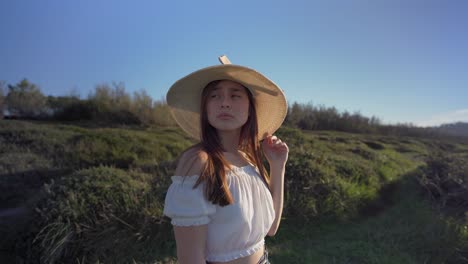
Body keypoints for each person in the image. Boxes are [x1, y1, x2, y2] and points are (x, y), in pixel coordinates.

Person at [163, 55, 288, 264]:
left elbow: (271, 228)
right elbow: (190, 259)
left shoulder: (249, 159)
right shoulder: (199, 162)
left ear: (250, 110)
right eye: (215, 96)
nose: (224, 103)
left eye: (235, 95)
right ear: (206, 108)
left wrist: (277, 165)